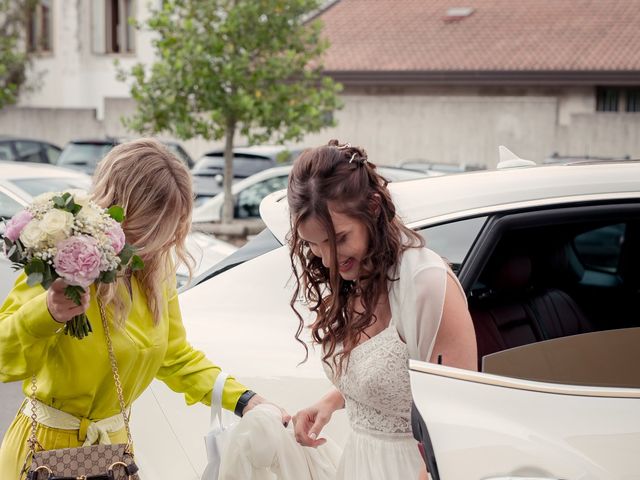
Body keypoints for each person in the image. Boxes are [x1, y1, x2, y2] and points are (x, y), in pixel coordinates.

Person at [0, 138, 288, 478]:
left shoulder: (156, 274)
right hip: (45, 454)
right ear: (121, 210)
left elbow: (176, 357)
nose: (163, 244)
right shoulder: (64, 261)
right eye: (152, 229)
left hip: (114, 456)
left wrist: (247, 401)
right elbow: (5, 358)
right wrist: (47, 313)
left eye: (170, 232)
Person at [287, 140, 477, 479]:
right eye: (314, 246)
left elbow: (455, 424)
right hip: (360, 463)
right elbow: (387, 381)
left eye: (338, 239)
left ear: (373, 207)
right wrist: (331, 401)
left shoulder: (425, 283)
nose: (327, 260)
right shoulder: (355, 274)